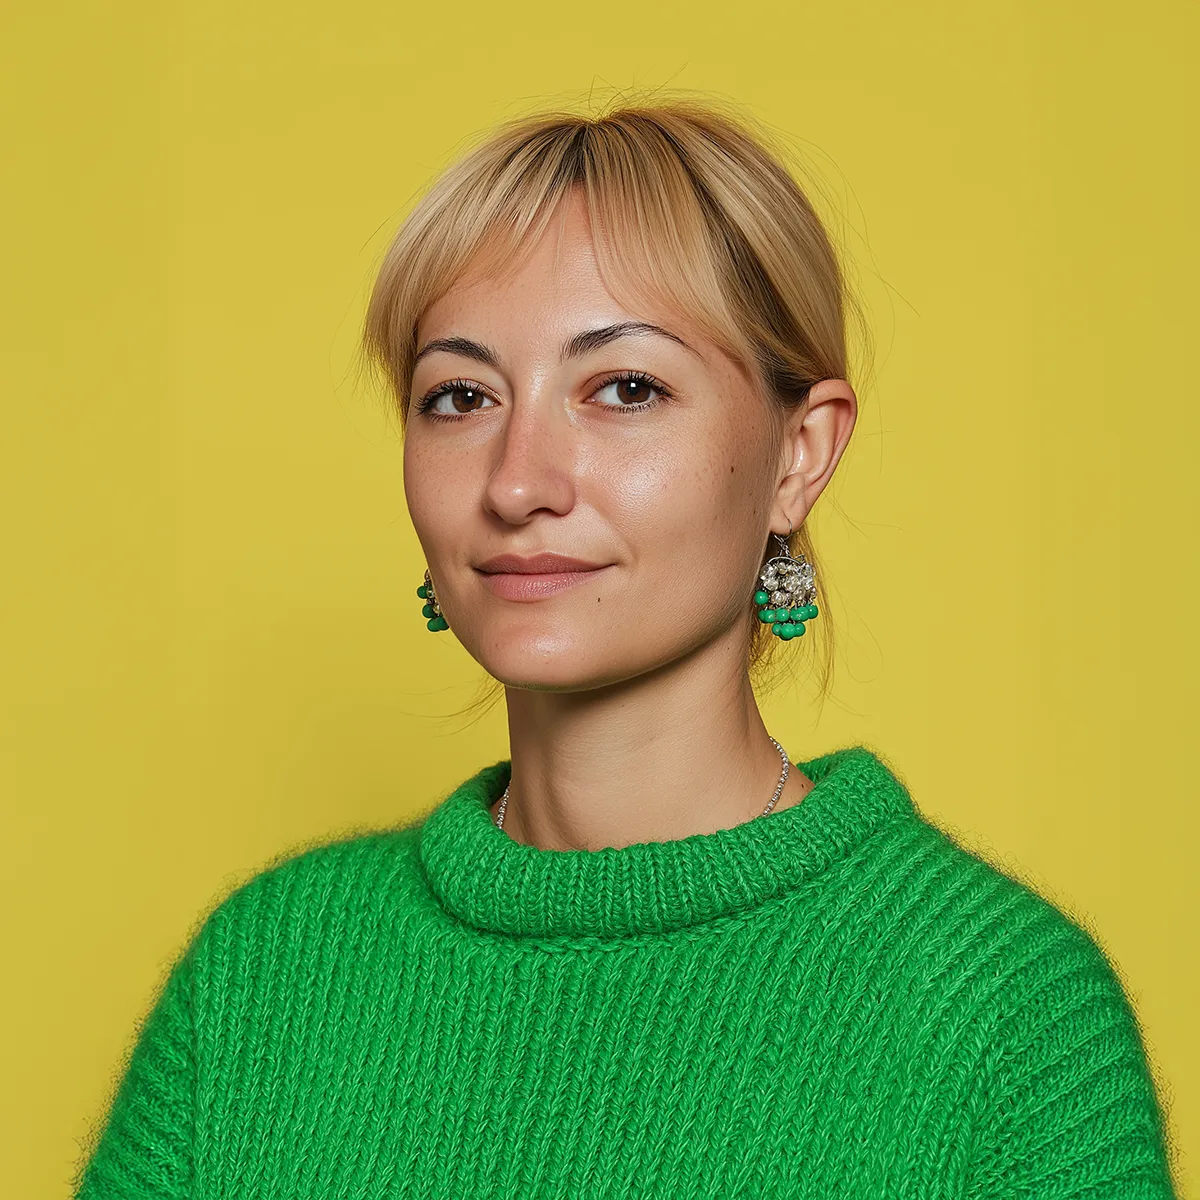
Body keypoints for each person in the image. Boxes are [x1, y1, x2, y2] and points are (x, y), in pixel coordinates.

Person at [74, 99, 1178, 1199]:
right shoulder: (266, 974)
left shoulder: (1002, 1013)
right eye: (459, 397)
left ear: (800, 452)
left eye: (626, 389)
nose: (516, 482)